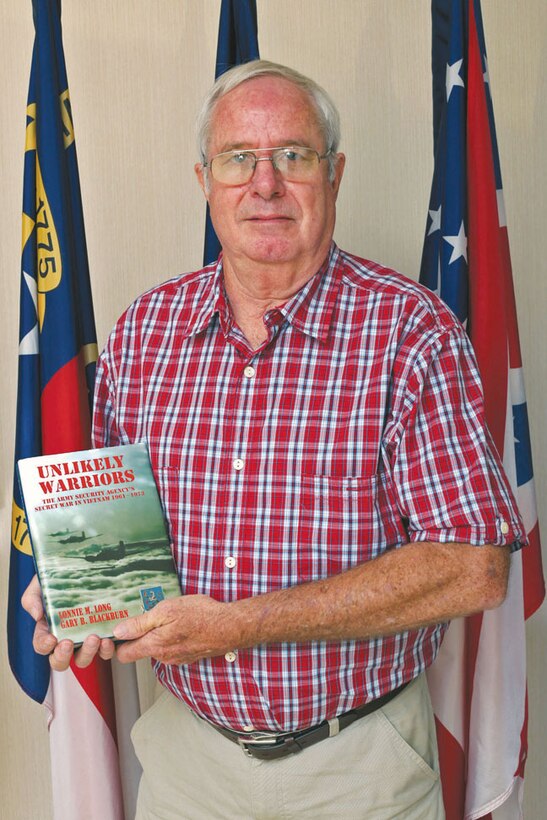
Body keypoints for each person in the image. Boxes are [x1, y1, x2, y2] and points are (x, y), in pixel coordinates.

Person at [24, 60, 525, 819]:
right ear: (205, 180)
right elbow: (111, 532)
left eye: (292, 155)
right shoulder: (146, 332)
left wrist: (240, 624)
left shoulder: (409, 333)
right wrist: (73, 596)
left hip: (357, 768)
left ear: (334, 173)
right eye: (238, 159)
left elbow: (473, 569)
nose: (264, 185)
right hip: (186, 764)